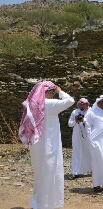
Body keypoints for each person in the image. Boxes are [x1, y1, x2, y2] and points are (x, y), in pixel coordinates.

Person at [19, 81, 75, 209]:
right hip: (50, 145)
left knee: (40, 174)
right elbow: (70, 100)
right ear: (48, 92)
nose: (54, 95)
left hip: (36, 145)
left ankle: (38, 202)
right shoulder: (50, 104)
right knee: (50, 172)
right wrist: (59, 90)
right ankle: (46, 204)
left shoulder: (31, 104)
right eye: (52, 93)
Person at [68, 98, 92, 180]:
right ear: (78, 104)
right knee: (76, 152)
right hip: (77, 135)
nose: (82, 105)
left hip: (87, 135)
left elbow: (92, 124)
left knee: (89, 151)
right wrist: (75, 120)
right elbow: (69, 124)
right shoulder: (74, 112)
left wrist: (84, 120)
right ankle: (75, 172)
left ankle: (92, 169)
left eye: (84, 104)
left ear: (87, 104)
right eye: (81, 104)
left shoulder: (90, 112)